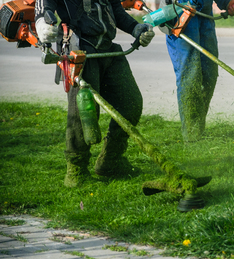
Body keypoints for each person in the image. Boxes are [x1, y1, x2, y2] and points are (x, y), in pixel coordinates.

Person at [35, 0, 155, 187]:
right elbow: (44, 4)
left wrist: (136, 28)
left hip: (108, 47)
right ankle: (76, 171)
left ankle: (111, 160)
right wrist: (41, 23)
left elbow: (116, 10)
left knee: (130, 103)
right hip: (79, 47)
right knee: (84, 114)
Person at [163, 0, 234, 142]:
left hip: (204, 15)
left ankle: (197, 130)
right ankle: (191, 136)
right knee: (190, 76)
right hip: (181, 12)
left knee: (209, 74)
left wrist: (227, 2)